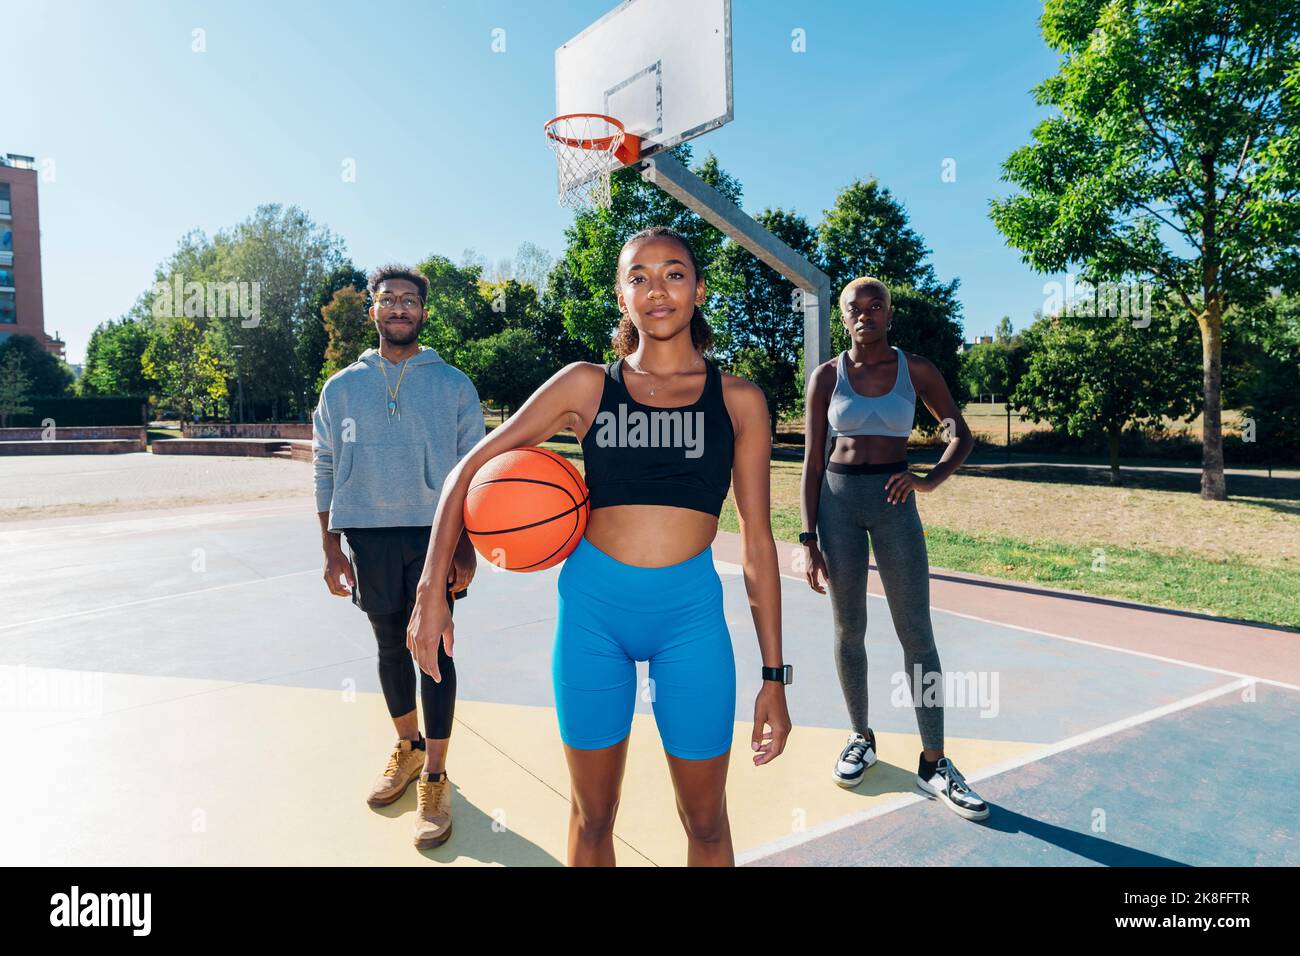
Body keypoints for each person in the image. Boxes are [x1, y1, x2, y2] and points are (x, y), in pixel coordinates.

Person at [407, 226, 791, 866]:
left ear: (697, 289)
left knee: (707, 824)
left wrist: (774, 676)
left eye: (673, 273)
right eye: (638, 276)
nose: (656, 290)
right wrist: (431, 592)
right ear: (621, 296)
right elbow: (466, 470)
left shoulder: (740, 399)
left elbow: (758, 544)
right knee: (591, 818)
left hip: (689, 618)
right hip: (595, 614)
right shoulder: (586, 385)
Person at [799, 276, 989, 821]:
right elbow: (813, 462)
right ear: (843, 317)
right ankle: (861, 737)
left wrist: (927, 480)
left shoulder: (917, 370)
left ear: (888, 313)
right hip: (837, 504)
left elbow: (960, 434)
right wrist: (808, 538)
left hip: (894, 501)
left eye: (875, 306)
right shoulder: (827, 376)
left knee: (917, 635)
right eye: (854, 309)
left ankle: (935, 763)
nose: (865, 315)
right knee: (848, 629)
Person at [312, 265, 485, 849]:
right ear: (373, 312)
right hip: (368, 533)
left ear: (424, 313)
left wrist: (466, 543)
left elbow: (472, 471)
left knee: (433, 648)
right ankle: (408, 750)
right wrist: (330, 544)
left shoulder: (454, 385)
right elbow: (325, 465)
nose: (399, 308)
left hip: (435, 536)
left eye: (409, 300)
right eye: (388, 300)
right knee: (389, 645)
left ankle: (436, 776)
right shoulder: (340, 388)